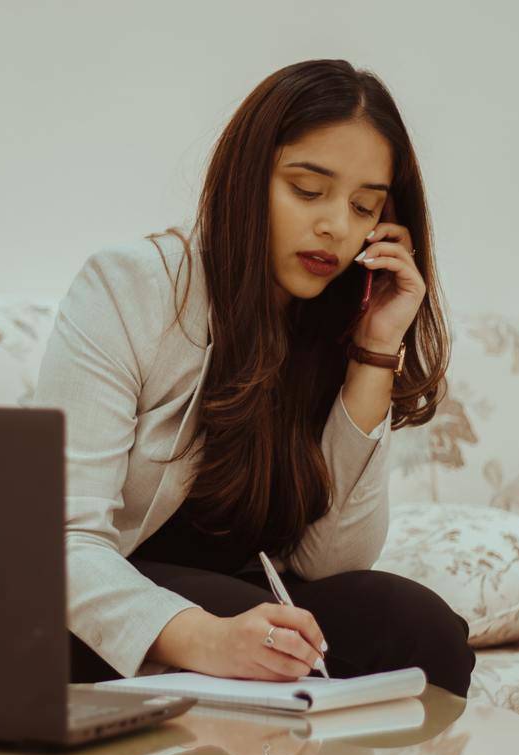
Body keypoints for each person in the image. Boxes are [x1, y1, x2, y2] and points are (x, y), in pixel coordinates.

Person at [31, 59, 475, 696]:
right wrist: (207, 637)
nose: (336, 226)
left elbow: (332, 563)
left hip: (250, 602)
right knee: (252, 621)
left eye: (363, 206)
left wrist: (376, 351)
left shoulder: (335, 322)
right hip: (108, 603)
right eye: (307, 189)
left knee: (419, 628)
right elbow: (62, 539)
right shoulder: (130, 288)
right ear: (247, 177)